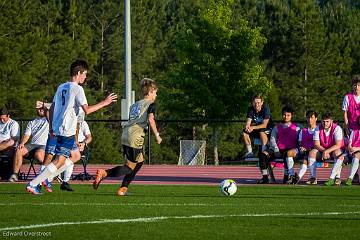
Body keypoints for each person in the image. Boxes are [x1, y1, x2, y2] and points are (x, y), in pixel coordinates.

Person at [26, 59, 117, 194]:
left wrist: (51, 127)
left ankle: (47, 178)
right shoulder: (77, 88)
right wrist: (104, 102)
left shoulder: (61, 87)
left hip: (57, 128)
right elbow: (87, 110)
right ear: (78, 73)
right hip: (67, 130)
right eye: (84, 74)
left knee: (75, 156)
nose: (85, 77)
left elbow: (51, 108)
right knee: (60, 160)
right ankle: (35, 183)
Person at [93, 78, 162, 196]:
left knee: (139, 162)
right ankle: (105, 173)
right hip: (135, 138)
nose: (156, 95)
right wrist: (157, 135)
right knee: (129, 167)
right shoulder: (151, 104)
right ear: (150, 92)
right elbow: (151, 119)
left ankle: (123, 188)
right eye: (155, 92)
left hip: (125, 134)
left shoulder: (134, 105)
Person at [257, 105, 300, 184]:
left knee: (287, 155)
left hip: (289, 150)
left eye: (288, 115)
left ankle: (286, 176)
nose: (286, 117)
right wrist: (276, 150)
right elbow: (272, 139)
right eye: (284, 115)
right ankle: (265, 177)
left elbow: (300, 140)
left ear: (291, 116)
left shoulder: (297, 128)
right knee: (263, 155)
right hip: (277, 150)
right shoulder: (277, 127)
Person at [8, 102, 49, 182]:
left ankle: (48, 173)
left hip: (44, 145)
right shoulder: (32, 122)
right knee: (19, 149)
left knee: (38, 155)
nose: (40, 110)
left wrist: (44, 105)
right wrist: (22, 143)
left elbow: (54, 106)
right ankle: (15, 175)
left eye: (42, 109)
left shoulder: (50, 119)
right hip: (33, 145)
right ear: (36, 110)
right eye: (39, 109)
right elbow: (27, 135)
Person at [308, 112, 344, 186]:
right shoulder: (317, 128)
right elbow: (316, 144)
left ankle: (335, 177)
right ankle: (313, 178)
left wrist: (327, 151)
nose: (325, 123)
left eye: (327, 121)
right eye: (323, 121)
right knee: (312, 153)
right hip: (323, 150)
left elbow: (338, 145)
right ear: (321, 121)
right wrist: (325, 151)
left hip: (334, 150)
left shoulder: (337, 128)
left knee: (338, 153)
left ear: (331, 121)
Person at [286, 110, 318, 185]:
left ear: (316, 119)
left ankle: (298, 178)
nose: (310, 119)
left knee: (305, 161)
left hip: (312, 151)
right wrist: (301, 148)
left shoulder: (319, 130)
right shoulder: (303, 130)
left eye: (312, 117)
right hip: (303, 150)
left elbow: (319, 144)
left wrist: (308, 149)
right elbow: (300, 143)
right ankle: (291, 175)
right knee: (289, 153)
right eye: (308, 117)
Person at [61, 118, 92, 191]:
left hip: (80, 145)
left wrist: (83, 144)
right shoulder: (65, 121)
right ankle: (63, 180)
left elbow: (89, 137)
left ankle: (63, 180)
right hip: (67, 144)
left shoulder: (83, 123)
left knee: (71, 157)